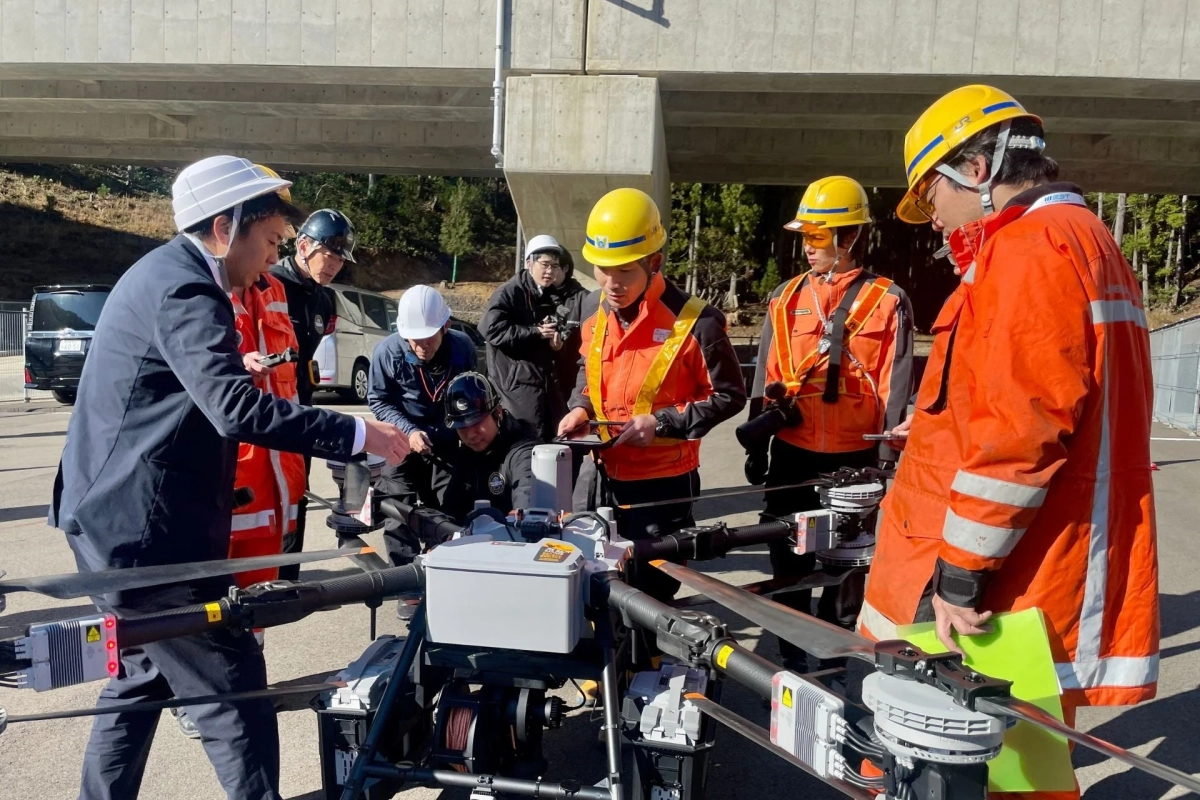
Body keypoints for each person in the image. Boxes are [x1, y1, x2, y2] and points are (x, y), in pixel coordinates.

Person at [48, 155, 409, 800]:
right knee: (233, 687)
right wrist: (359, 434)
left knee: (142, 676)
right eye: (270, 243)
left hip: (118, 518)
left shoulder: (167, 274)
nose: (272, 261)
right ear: (224, 228)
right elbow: (233, 407)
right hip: (145, 533)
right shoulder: (186, 289)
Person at [858, 85, 1158, 800]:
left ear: (978, 169)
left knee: (973, 771)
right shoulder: (1085, 242)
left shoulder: (1027, 252)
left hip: (996, 591)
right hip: (1037, 563)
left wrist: (959, 577)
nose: (931, 215)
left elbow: (1018, 440)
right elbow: (1023, 401)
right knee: (1020, 772)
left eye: (931, 192)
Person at [745, 175, 913, 674]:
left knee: (849, 560)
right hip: (793, 450)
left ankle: (835, 647)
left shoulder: (887, 300)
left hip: (855, 456)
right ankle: (794, 644)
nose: (807, 247)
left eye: (817, 237)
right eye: (805, 237)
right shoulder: (785, 297)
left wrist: (884, 458)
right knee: (788, 550)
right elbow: (767, 372)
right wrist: (758, 441)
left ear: (849, 238)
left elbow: (894, 384)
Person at [557, 188, 746, 601]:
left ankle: (650, 661)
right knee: (601, 583)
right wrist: (579, 408)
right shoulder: (596, 315)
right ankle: (616, 662)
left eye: (624, 271)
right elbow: (587, 376)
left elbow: (730, 395)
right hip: (605, 480)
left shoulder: (698, 322)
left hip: (664, 487)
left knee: (652, 594)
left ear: (654, 262)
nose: (611, 283)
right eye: (602, 269)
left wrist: (662, 424)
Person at [269, 207, 357, 580]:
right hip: (265, 406)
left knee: (296, 490)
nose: (335, 264)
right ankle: (259, 575)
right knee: (264, 495)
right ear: (303, 245)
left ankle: (288, 578)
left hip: (301, 404)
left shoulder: (323, 299)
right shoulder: (270, 284)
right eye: (329, 254)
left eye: (341, 258)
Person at [368, 284, 477, 569]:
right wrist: (408, 430)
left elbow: (468, 391)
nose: (421, 347)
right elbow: (378, 401)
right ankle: (404, 580)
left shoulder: (462, 347)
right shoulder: (386, 353)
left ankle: (443, 567)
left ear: (445, 327)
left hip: (444, 439)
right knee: (397, 509)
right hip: (400, 439)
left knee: (449, 505)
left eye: (428, 338)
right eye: (413, 339)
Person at [478, 234, 588, 441]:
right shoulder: (510, 291)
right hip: (514, 385)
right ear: (529, 262)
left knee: (553, 438)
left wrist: (557, 346)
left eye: (555, 266)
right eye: (545, 264)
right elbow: (490, 329)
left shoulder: (545, 294)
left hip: (543, 382)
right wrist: (535, 331)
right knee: (525, 441)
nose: (550, 271)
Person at [433, 371, 538, 522]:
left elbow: (525, 506)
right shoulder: (465, 453)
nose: (471, 435)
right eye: (462, 427)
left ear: (498, 413)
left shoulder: (524, 452)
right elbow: (451, 508)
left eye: (476, 423)